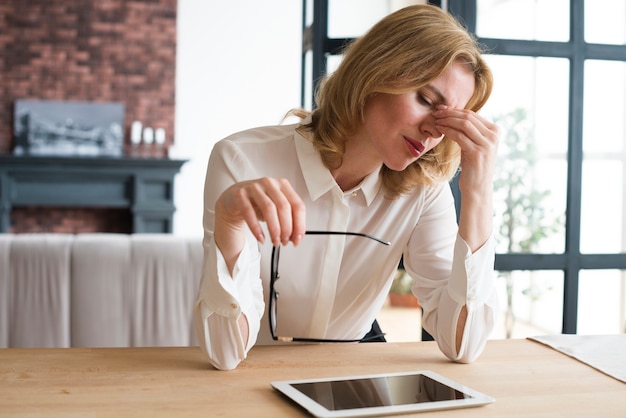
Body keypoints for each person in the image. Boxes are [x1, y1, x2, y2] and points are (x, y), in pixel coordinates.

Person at [194, 4, 499, 371]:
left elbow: (463, 344)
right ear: (375, 74)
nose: (434, 131)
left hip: (358, 376)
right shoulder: (241, 160)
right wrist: (229, 221)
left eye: (449, 118)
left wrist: (478, 189)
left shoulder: (424, 190)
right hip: (256, 374)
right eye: (425, 100)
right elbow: (225, 353)